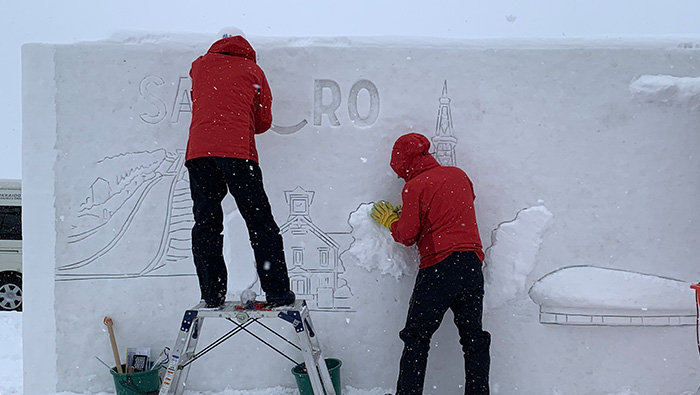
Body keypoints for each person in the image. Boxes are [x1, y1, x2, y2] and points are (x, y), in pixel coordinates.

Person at [371, 133, 491, 395]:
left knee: (416, 337)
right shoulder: (459, 175)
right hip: (471, 264)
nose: (402, 176)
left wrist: (392, 220)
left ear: (405, 163)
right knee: (474, 339)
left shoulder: (415, 186)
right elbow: (450, 209)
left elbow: (406, 235)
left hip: (440, 266)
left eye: (401, 170)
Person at [185, 28, 295, 309]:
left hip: (199, 154)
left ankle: (211, 294)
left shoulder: (199, 65)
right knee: (260, 223)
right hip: (238, 154)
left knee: (206, 224)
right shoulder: (252, 70)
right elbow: (263, 121)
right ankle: (278, 293)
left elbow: (199, 98)